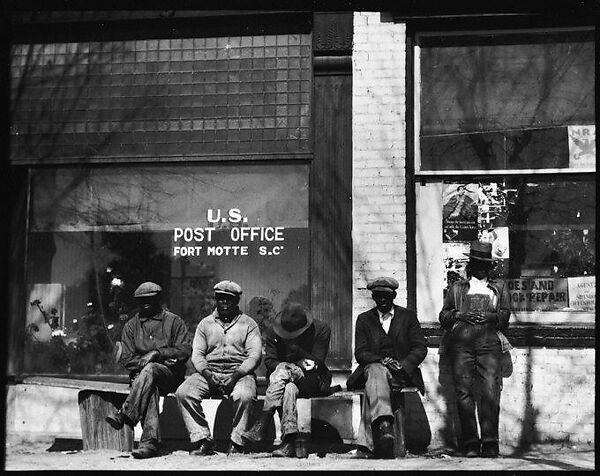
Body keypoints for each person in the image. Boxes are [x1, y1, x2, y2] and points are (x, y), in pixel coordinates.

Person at [439, 240, 511, 458]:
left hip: (488, 343)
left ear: (489, 266)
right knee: (463, 392)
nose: (480, 268)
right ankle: (470, 442)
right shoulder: (458, 288)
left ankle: (490, 442)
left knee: (490, 390)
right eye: (476, 263)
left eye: (484, 264)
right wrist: (459, 315)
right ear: (471, 264)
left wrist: (491, 317)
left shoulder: (498, 288)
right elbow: (443, 316)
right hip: (461, 344)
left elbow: (506, 316)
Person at [175, 280, 262, 456]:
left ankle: (237, 442)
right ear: (215, 300)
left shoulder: (249, 324)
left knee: (244, 395)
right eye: (220, 299)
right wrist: (207, 374)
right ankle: (202, 439)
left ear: (237, 301)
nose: (224, 303)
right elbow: (197, 355)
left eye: (229, 299)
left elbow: (254, 355)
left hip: (239, 372)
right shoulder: (205, 324)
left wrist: (236, 375)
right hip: (210, 371)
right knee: (184, 392)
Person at [105, 281, 191, 459]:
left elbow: (184, 350)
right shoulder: (131, 326)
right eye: (141, 300)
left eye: (150, 299)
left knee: (150, 371)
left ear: (159, 299)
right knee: (149, 382)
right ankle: (149, 444)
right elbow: (127, 359)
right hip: (144, 378)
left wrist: (157, 354)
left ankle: (125, 413)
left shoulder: (174, 321)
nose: (145, 303)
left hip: (171, 377)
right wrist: (147, 365)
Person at [346, 277, 427, 459]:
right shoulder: (364, 319)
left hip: (401, 373)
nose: (382, 300)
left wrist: (403, 364)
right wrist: (382, 361)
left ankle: (370, 443)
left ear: (394, 296)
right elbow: (361, 352)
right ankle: (384, 426)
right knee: (375, 371)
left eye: (386, 296)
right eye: (378, 296)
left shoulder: (408, 317)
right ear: (373, 297)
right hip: (375, 368)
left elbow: (420, 348)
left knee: (373, 384)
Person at [242, 302, 334, 458]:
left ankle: (263, 422)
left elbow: (318, 363)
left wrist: (298, 354)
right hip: (283, 381)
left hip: (313, 379)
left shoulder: (321, 329)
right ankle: (289, 440)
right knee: (289, 386)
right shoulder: (273, 332)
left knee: (284, 372)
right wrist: (289, 365)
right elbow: (270, 362)